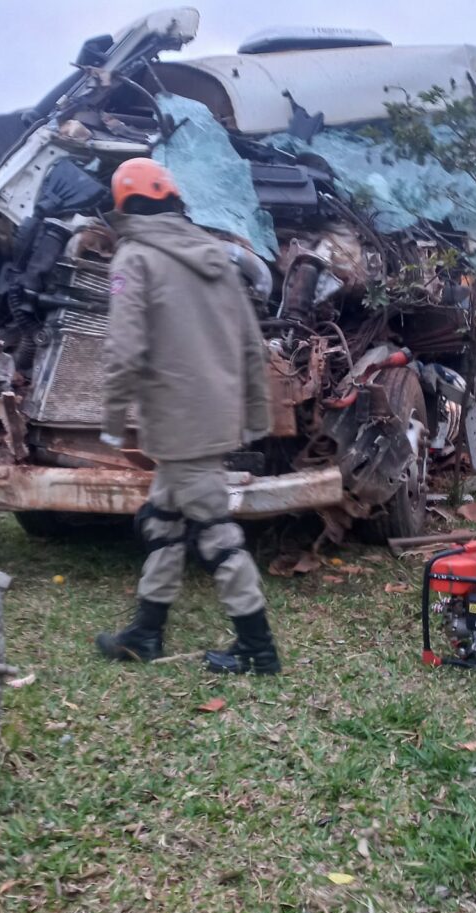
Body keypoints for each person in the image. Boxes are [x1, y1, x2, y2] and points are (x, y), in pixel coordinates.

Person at [95, 157, 280, 675]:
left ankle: (258, 649)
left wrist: (112, 419)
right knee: (162, 521)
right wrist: (256, 414)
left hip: (175, 423)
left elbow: (123, 348)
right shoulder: (218, 256)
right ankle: (146, 633)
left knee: (217, 535)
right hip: (213, 417)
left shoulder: (134, 258)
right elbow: (250, 343)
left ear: (124, 203)